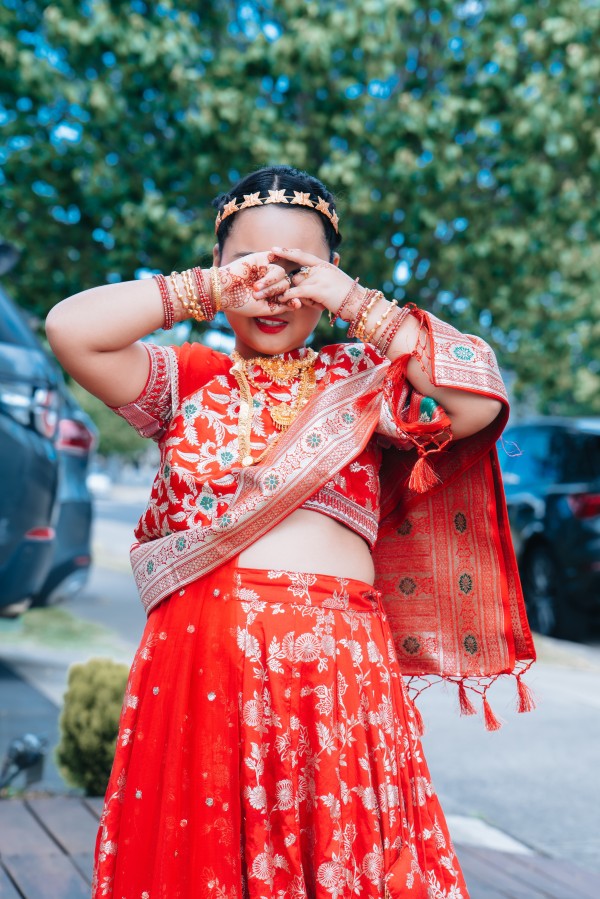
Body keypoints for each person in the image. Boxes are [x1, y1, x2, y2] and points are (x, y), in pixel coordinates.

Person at [46, 164, 535, 899]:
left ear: (332, 272)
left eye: (297, 268)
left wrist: (356, 304)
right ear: (218, 265)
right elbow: (69, 329)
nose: (273, 289)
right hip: (203, 670)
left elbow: (478, 401)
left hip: (335, 680)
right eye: (251, 263)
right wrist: (209, 289)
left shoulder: (364, 380)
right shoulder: (187, 380)